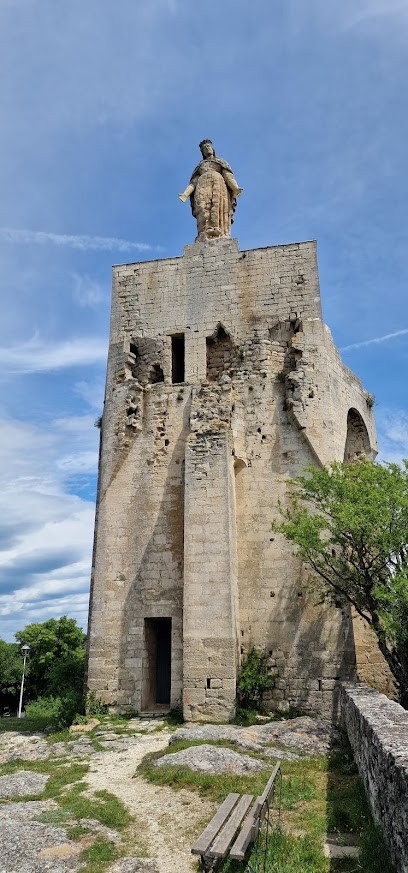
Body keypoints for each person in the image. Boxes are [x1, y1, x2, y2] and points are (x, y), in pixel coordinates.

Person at [179, 140, 243, 239]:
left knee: (217, 207)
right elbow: (193, 183)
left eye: (208, 146)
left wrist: (235, 187)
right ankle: (203, 233)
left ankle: (219, 232)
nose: (207, 149)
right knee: (202, 208)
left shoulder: (220, 162)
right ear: (202, 152)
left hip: (218, 185)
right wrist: (185, 194)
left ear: (213, 149)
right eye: (204, 148)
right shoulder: (200, 166)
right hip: (202, 187)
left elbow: (227, 176)